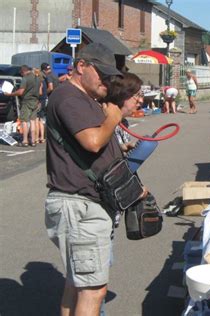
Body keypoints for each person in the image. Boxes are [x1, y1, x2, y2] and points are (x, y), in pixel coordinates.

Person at [44, 43, 124, 316]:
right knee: (92, 291)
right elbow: (91, 142)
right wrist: (113, 118)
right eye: (102, 74)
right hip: (79, 204)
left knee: (77, 284)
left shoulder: (79, 98)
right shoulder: (70, 97)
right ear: (82, 66)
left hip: (79, 204)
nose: (108, 82)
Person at [4, 65, 41, 147]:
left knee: (24, 121)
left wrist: (10, 94)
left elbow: (20, 92)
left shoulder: (25, 78)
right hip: (35, 101)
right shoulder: (37, 78)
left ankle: (25, 140)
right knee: (33, 121)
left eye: (21, 73)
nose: (21, 74)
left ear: (23, 71)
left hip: (27, 101)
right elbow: (40, 92)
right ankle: (33, 140)